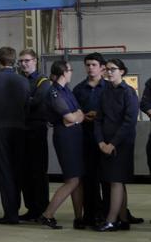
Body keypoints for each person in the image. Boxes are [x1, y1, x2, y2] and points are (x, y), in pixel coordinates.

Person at [39, 60, 85, 229]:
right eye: (70, 70)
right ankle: (47, 214)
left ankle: (79, 217)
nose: (71, 72)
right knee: (72, 180)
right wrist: (76, 118)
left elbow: (80, 113)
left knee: (77, 178)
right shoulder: (54, 93)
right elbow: (72, 118)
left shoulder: (67, 91)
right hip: (66, 139)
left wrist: (76, 118)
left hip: (74, 136)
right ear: (64, 72)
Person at [94, 58, 138, 232]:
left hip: (121, 144)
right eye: (107, 69)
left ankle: (111, 220)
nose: (109, 72)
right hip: (105, 143)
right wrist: (100, 142)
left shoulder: (128, 92)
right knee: (116, 181)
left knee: (116, 181)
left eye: (113, 69)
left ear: (122, 71)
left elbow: (129, 122)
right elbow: (98, 119)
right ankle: (123, 219)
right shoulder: (105, 92)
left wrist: (112, 144)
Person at [0, 46, 29, 225]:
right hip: (20, 128)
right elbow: (27, 105)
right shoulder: (23, 81)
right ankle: (17, 209)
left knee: (4, 171)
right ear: (14, 61)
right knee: (17, 170)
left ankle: (10, 213)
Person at [74, 52, 108, 225]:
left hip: (106, 138)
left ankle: (111, 212)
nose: (90, 68)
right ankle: (91, 213)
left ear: (102, 67)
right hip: (86, 138)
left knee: (108, 178)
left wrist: (99, 115)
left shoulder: (110, 88)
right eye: (87, 64)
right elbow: (74, 111)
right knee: (90, 178)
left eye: (94, 64)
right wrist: (83, 116)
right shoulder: (79, 89)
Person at [18, 48, 51, 221]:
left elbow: (36, 101)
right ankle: (31, 208)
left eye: (27, 60)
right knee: (24, 172)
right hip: (21, 130)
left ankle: (42, 209)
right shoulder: (18, 80)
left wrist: (18, 101)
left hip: (36, 131)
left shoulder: (42, 81)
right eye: (21, 61)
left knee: (38, 171)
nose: (24, 63)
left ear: (35, 61)